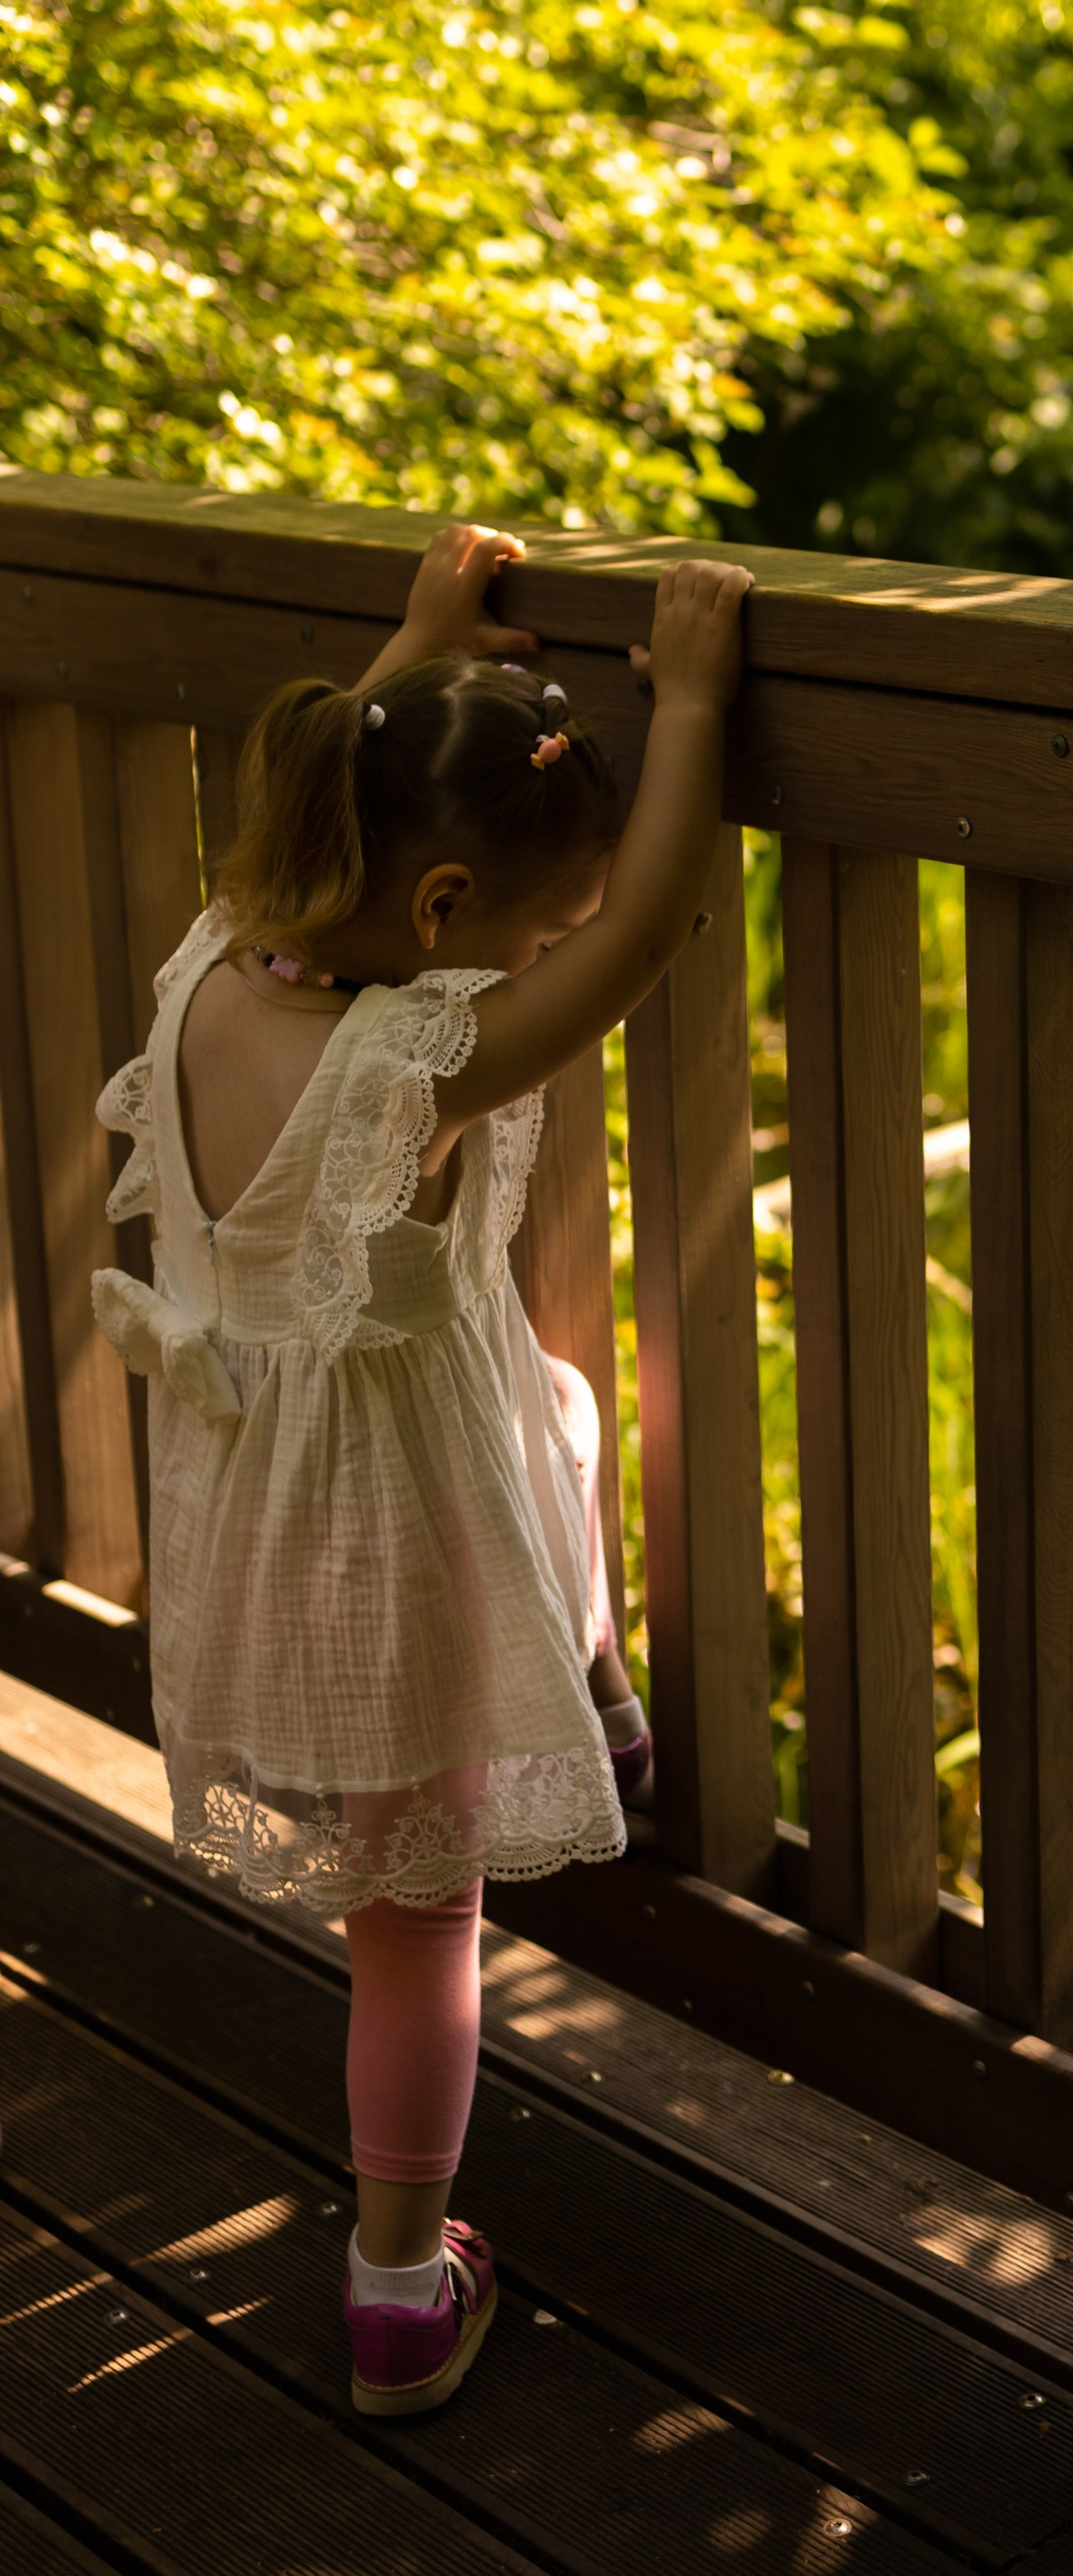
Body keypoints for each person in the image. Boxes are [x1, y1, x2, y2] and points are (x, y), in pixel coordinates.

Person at [89, 523, 752, 2421]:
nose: (538, 960)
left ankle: (592, 1706)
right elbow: (641, 931)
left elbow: (351, 804)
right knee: (422, 1929)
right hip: (398, 1524)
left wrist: (409, 647)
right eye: (516, 940)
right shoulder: (411, 1065)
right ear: (451, 906)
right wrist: (691, 701)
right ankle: (398, 2280)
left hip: (255, 1488)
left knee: (558, 1415)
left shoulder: (220, 959)